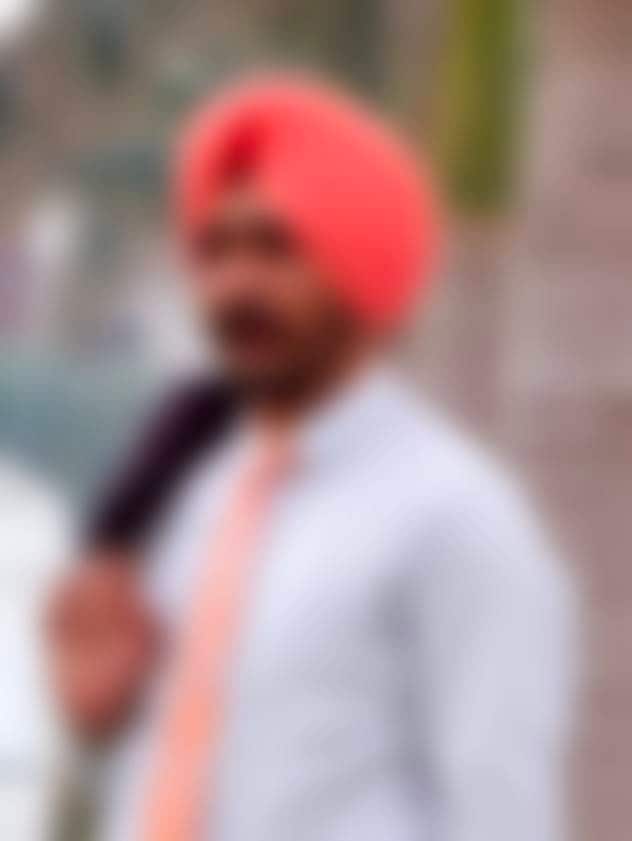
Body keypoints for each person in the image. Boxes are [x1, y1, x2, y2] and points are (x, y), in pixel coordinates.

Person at [47, 75, 575, 841]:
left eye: (275, 247)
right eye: (215, 250)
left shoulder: (456, 517)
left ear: (361, 264)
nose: (236, 286)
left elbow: (503, 812)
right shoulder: (203, 499)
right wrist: (103, 723)